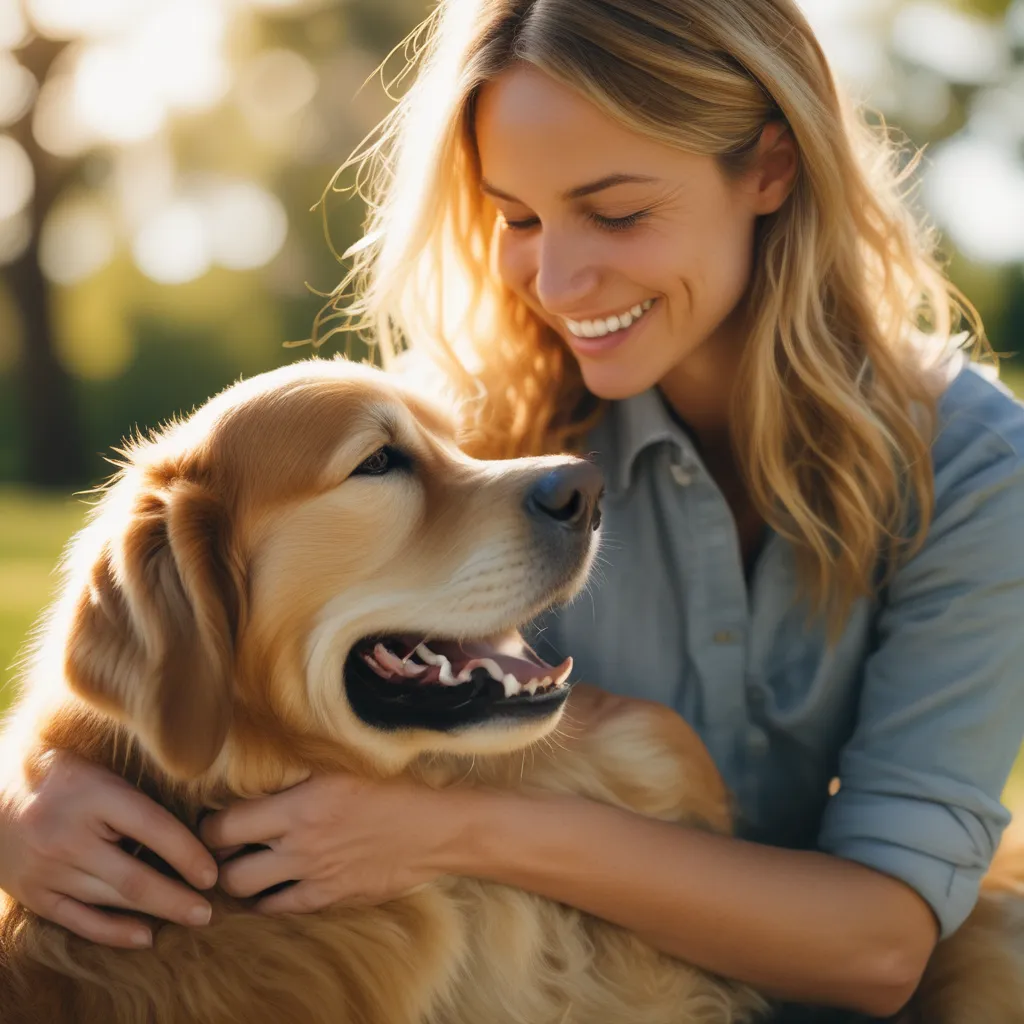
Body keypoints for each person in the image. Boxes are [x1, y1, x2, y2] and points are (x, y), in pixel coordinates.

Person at [3, 0, 1024, 1019]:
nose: (561, 280)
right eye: (517, 218)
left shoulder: (975, 469)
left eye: (617, 211)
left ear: (769, 167)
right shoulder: (476, 419)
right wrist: (19, 799)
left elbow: (882, 944)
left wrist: (450, 827)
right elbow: (202, 621)